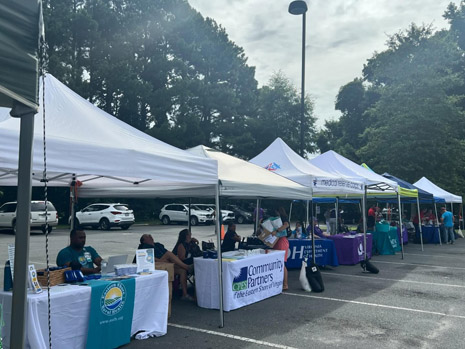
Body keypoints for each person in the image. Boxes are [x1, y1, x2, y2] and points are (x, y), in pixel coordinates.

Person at [137, 234, 194, 301]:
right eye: (148, 237)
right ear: (144, 241)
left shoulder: (158, 245)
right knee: (169, 254)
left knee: (182, 271)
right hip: (157, 264)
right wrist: (160, 260)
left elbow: (166, 252)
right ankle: (187, 267)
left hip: (167, 262)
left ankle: (185, 294)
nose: (151, 237)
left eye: (150, 236)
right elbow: (147, 257)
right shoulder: (144, 247)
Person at [270, 207, 290, 291]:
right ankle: (279, 281)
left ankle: (285, 284)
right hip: (276, 241)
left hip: (282, 241)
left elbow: (286, 225)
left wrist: (277, 230)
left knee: (282, 263)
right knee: (278, 262)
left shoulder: (284, 218)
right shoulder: (275, 219)